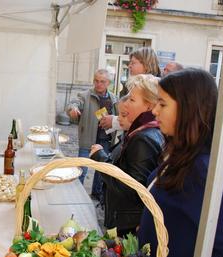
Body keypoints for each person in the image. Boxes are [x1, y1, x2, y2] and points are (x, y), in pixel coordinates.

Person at [138, 68, 223, 257]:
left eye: (162, 104)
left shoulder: (203, 170)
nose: (154, 110)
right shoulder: (184, 153)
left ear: (188, 109)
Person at [90, 74, 164, 236]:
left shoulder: (143, 138)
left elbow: (133, 188)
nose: (125, 104)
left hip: (127, 226)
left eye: (132, 100)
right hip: (123, 220)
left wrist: (100, 158)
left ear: (149, 106)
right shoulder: (139, 131)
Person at [67, 69, 119, 201]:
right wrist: (73, 109)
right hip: (88, 139)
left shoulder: (113, 98)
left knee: (101, 171)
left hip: (105, 141)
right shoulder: (85, 95)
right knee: (82, 171)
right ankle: (76, 196)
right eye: (96, 80)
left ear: (108, 83)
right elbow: (74, 103)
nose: (99, 84)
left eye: (102, 81)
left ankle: (96, 194)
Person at [99, 47, 161, 131]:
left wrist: (114, 121)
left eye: (133, 63)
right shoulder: (137, 85)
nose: (129, 66)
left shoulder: (154, 88)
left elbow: (140, 120)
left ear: (146, 65)